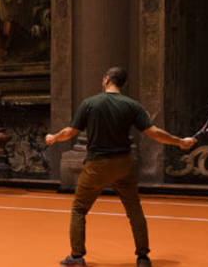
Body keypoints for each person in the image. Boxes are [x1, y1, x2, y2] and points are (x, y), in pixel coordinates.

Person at [44, 67, 197, 267]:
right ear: (123, 84)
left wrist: (53, 137)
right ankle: (143, 257)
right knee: (134, 210)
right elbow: (154, 132)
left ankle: (76, 256)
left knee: (79, 209)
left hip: (96, 165)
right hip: (124, 164)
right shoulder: (132, 105)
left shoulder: (90, 103)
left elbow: (70, 131)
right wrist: (179, 141)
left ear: (106, 79)